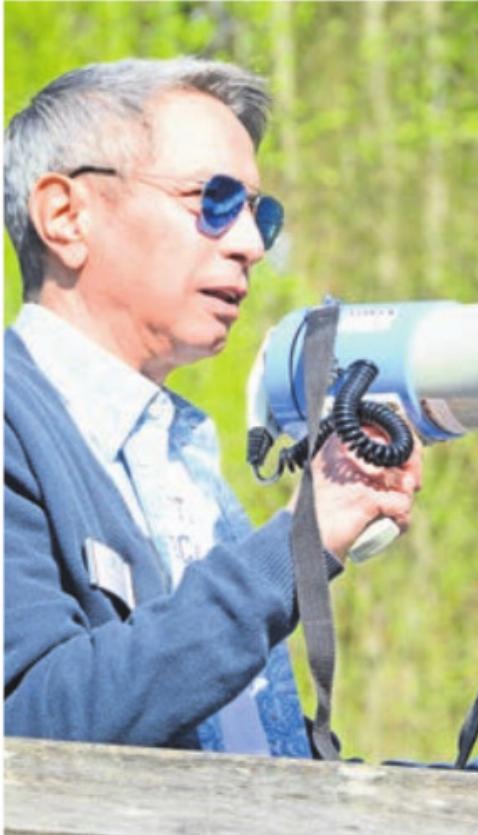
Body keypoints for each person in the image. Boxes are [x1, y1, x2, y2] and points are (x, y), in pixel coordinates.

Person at [4, 56, 422, 756]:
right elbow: (31, 723)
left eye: (262, 213)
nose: (252, 244)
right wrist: (295, 547)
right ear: (65, 216)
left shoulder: (188, 470)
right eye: (214, 200)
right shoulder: (15, 424)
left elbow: (264, 771)